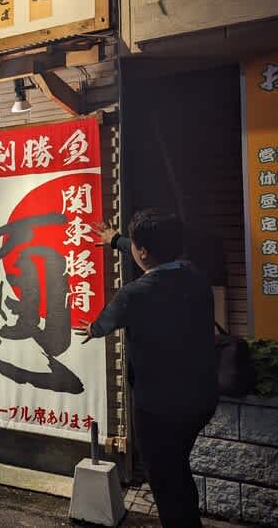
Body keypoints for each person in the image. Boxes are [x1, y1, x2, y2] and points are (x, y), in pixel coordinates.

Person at [76, 209, 218, 528]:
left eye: (136, 245)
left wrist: (92, 329)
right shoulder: (195, 276)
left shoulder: (134, 294)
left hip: (159, 407)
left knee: (166, 479)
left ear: (143, 251)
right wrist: (117, 240)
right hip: (201, 398)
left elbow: (103, 323)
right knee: (177, 468)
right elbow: (153, 256)